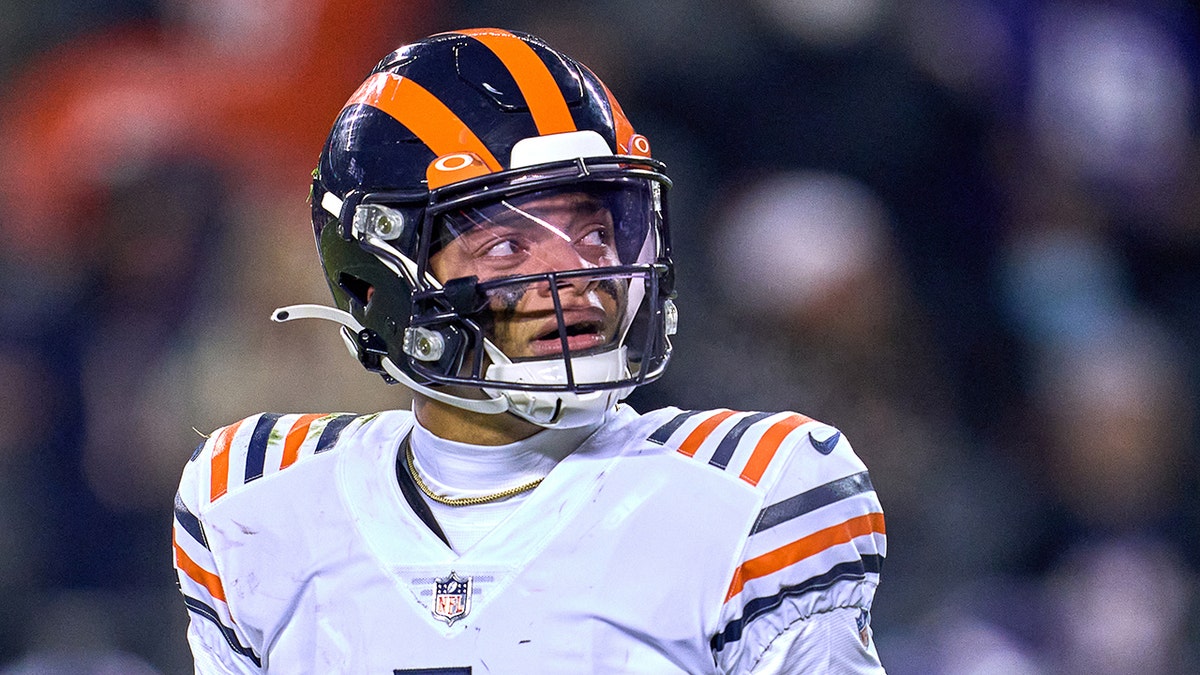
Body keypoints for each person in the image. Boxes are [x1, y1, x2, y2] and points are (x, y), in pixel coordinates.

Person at [171, 28, 887, 673]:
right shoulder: (257, 499)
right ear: (375, 279)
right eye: (507, 244)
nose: (577, 278)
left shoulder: (756, 493)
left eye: (597, 231)